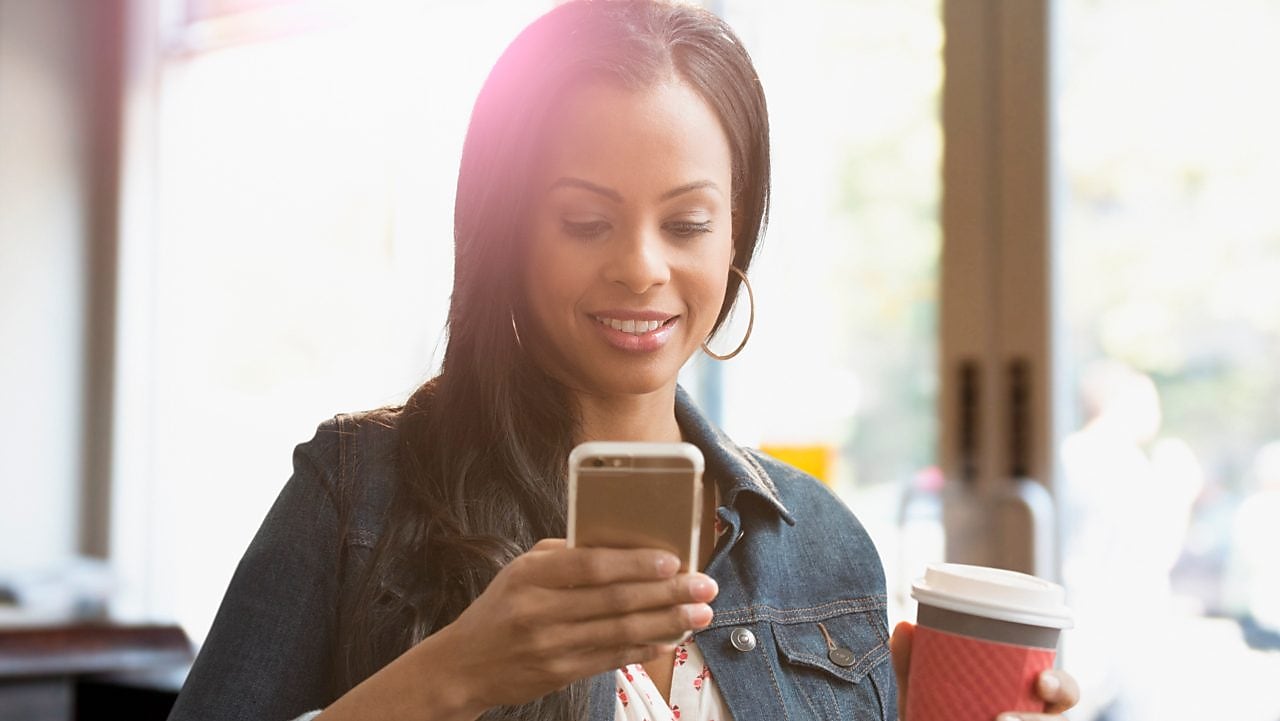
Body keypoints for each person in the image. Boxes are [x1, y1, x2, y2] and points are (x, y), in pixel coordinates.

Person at [167, 2, 1079, 720]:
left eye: (687, 224)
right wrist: (448, 678)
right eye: (585, 222)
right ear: (509, 230)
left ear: (735, 235)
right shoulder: (357, 495)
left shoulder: (824, 549)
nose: (642, 266)